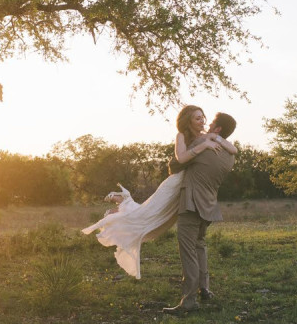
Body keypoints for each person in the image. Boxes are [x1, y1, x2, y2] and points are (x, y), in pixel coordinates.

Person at [82, 106, 237, 280]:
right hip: (176, 183)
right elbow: (180, 159)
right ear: (189, 121)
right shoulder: (183, 136)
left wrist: (213, 138)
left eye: (204, 118)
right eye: (198, 118)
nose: (203, 122)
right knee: (150, 212)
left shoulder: (208, 137)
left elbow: (234, 149)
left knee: (158, 217)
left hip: (188, 187)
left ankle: (124, 205)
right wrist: (205, 145)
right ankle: (123, 204)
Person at [163, 111, 238, 316]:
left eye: (211, 121)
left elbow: (175, 165)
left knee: (188, 251)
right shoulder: (229, 155)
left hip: (191, 203)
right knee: (199, 246)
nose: (207, 123)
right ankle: (204, 289)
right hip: (209, 205)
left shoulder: (201, 146)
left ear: (218, 128)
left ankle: (188, 302)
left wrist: (201, 142)